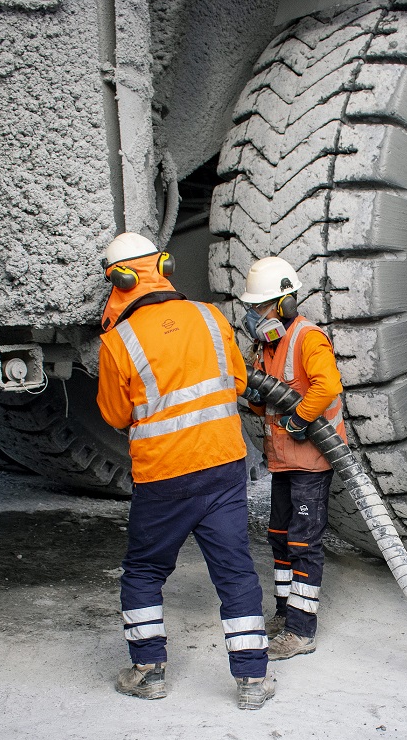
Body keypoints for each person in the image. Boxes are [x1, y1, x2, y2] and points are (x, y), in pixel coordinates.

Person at [96, 232, 273, 710]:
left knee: (144, 572)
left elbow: (114, 415)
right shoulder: (211, 317)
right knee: (236, 573)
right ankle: (253, 680)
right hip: (223, 467)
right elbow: (237, 382)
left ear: (119, 278)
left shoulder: (118, 341)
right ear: (163, 266)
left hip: (165, 478)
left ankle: (148, 672)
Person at [240, 256, 347, 661]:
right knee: (280, 538)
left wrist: (301, 417)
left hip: (310, 462)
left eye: (260, 307)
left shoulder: (308, 338)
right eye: (251, 307)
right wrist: (253, 398)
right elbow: (267, 404)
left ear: (283, 304)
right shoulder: (265, 345)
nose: (254, 315)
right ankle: (285, 614)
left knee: (303, 542)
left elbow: (326, 386)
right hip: (283, 461)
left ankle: (302, 632)